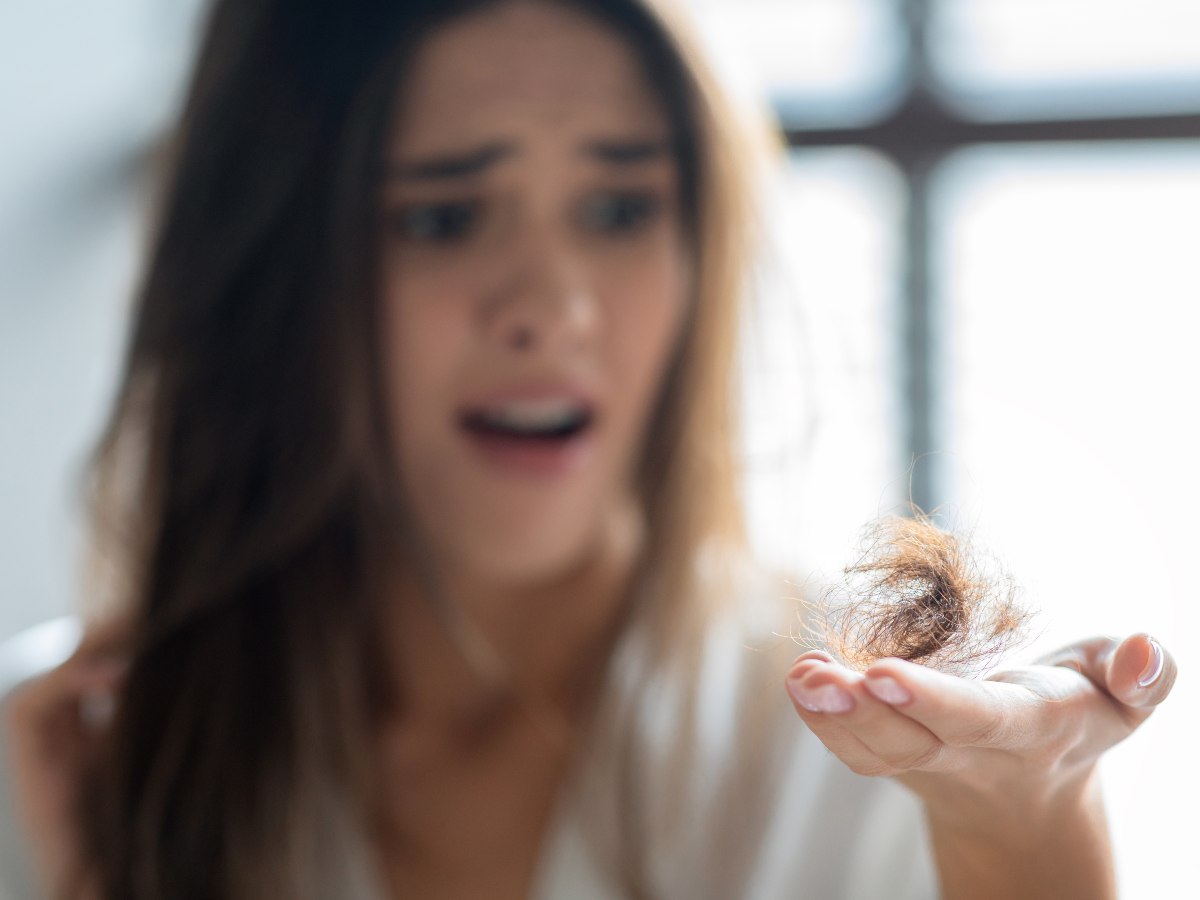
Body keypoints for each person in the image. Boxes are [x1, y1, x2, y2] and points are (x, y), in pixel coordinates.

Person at [1, 1, 1177, 898]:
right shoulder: (69, 767)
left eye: (620, 210)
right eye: (443, 216)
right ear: (278, 275)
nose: (553, 307)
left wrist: (1028, 822)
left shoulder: (878, 756)